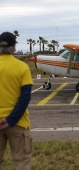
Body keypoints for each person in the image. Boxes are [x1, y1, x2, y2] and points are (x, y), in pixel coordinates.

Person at [0, 32, 33, 170]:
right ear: (14, 47)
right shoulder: (22, 67)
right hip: (18, 123)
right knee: (22, 162)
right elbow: (25, 98)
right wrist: (10, 120)